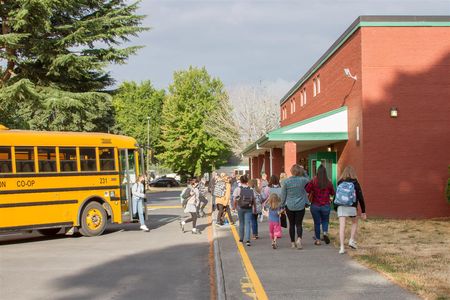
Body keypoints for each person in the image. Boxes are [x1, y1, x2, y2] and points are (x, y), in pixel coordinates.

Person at [335, 166, 366, 254]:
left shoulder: (339, 182)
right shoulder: (355, 182)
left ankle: (341, 247)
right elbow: (360, 197)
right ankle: (351, 240)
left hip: (341, 206)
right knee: (355, 222)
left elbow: (336, 195)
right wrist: (363, 211)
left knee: (342, 226)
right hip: (352, 206)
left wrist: (335, 206)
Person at [281, 164, 309, 249]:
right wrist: (304, 171)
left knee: (292, 224)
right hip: (300, 205)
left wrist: (282, 205)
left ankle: (292, 242)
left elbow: (283, 195)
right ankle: (299, 239)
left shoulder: (286, 181)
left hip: (289, 205)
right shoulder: (303, 180)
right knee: (299, 224)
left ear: (291, 171)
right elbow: (309, 180)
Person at [305, 165, 335, 245]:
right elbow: (332, 193)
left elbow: (307, 189)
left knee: (317, 223)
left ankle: (317, 240)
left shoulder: (313, 181)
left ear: (317, 172)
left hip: (315, 205)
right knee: (325, 220)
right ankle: (325, 233)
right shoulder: (328, 182)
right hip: (326, 205)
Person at [233, 175, 255, 246]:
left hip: (240, 208)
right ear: (247, 181)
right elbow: (254, 200)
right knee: (248, 224)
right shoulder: (251, 189)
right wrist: (254, 208)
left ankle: (241, 239)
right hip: (249, 208)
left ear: (241, 181)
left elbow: (235, 199)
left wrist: (234, 207)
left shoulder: (237, 189)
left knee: (241, 223)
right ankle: (248, 240)